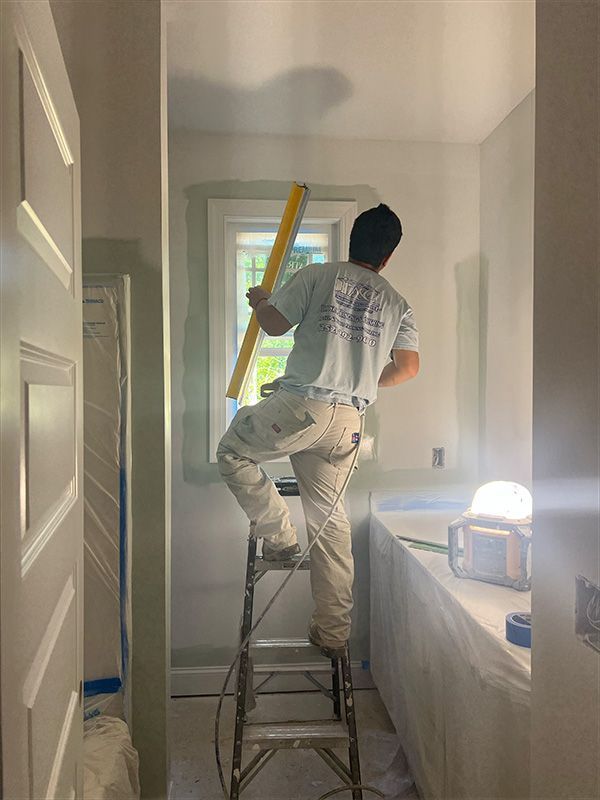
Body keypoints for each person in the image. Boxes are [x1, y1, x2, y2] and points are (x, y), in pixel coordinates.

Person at [217, 203, 419, 657]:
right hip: (349, 424)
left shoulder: (319, 275)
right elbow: (407, 367)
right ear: (388, 256)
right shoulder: (396, 302)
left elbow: (274, 325)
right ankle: (333, 632)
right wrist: (362, 380)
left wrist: (260, 300)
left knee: (232, 452)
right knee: (329, 522)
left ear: (351, 240)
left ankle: (281, 539)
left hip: (301, 407)